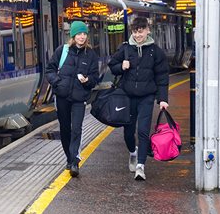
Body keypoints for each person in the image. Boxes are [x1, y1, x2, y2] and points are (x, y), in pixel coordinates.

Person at [108, 17, 170, 181]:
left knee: (143, 131)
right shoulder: (125, 49)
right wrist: (121, 66)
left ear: (148, 30)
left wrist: (162, 99)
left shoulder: (155, 52)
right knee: (128, 132)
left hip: (146, 97)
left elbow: (162, 76)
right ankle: (133, 152)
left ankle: (141, 166)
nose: (138, 35)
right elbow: (112, 66)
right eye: (135, 31)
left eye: (141, 31)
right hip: (128, 97)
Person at [45, 20, 99, 177]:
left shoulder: (91, 55)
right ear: (73, 36)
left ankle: (75, 161)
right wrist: (57, 82)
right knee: (65, 129)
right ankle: (69, 158)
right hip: (62, 97)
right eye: (78, 34)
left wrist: (87, 81)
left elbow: (96, 77)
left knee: (77, 128)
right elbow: (50, 69)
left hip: (79, 98)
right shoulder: (62, 51)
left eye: (84, 34)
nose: (82, 37)